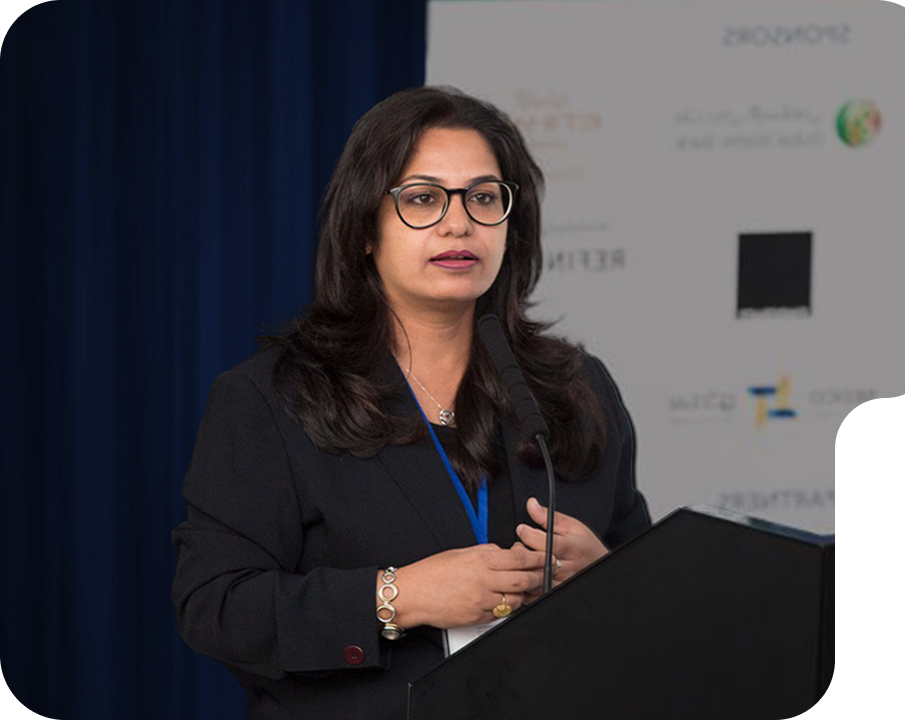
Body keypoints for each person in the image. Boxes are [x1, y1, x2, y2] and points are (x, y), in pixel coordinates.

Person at [170, 85, 651, 719]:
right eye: (423, 198)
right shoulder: (272, 397)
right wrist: (399, 596)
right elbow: (216, 608)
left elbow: (651, 594)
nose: (460, 222)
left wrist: (609, 577)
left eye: (484, 198)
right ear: (364, 229)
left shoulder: (577, 386)